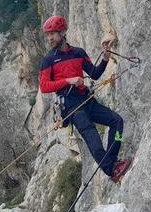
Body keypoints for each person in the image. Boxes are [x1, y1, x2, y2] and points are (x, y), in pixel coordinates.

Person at [38, 14, 133, 182]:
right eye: (48, 34)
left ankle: (112, 161)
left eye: (53, 33)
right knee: (94, 142)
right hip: (71, 107)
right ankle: (112, 170)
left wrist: (105, 58)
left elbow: (95, 74)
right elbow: (45, 86)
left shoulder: (78, 53)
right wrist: (68, 80)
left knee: (117, 122)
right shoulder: (48, 60)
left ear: (63, 32)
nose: (50, 38)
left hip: (87, 100)